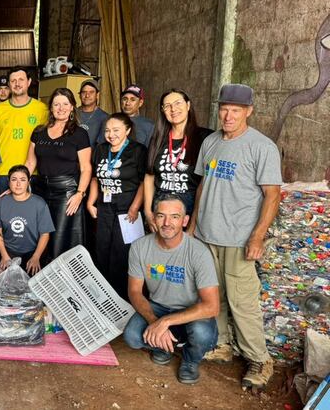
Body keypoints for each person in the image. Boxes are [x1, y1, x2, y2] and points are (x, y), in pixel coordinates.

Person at [188, 84, 281, 390]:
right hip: (206, 234)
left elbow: (272, 195)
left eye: (235, 110)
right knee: (214, 297)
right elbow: (203, 186)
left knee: (242, 302)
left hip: (238, 238)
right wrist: (193, 227)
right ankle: (223, 344)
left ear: (249, 111)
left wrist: (257, 237)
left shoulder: (261, 146)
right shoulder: (211, 141)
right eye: (224, 109)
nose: (228, 115)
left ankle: (259, 358)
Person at [123, 194, 219, 385]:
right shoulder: (139, 247)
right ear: (154, 219)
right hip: (158, 306)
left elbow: (212, 307)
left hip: (191, 310)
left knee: (202, 335)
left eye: (174, 217)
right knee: (132, 336)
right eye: (161, 216)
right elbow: (134, 291)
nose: (167, 223)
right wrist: (154, 321)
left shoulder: (198, 252)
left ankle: (190, 361)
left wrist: (165, 322)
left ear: (184, 221)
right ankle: (163, 346)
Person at [86, 113, 147, 299]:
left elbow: (145, 182)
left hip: (127, 210)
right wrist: (90, 201)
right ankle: (105, 298)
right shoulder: (101, 149)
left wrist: (135, 207)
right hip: (104, 208)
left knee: (122, 256)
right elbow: (95, 178)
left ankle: (124, 299)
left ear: (128, 130)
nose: (111, 134)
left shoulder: (138, 150)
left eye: (116, 130)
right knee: (102, 251)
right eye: (107, 131)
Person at [25, 88, 91, 259]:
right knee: (39, 233)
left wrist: (80, 194)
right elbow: (30, 163)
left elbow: (86, 168)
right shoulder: (38, 131)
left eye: (65, 104)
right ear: (51, 108)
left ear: (72, 108)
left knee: (59, 238)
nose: (60, 108)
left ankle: (60, 278)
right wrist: (19, 184)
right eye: (56, 104)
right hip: (40, 189)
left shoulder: (80, 134)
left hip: (66, 192)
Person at [143, 89, 213, 228]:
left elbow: (206, 182)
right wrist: (147, 211)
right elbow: (149, 176)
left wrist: (194, 223)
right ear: (163, 110)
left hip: (189, 210)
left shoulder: (205, 138)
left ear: (188, 105)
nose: (173, 109)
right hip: (160, 211)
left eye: (177, 103)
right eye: (167, 106)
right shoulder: (158, 139)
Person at [0, 66, 49, 195]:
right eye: (13, 81)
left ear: (29, 82)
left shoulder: (42, 109)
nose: (17, 83)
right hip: (4, 172)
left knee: (32, 213)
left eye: (21, 79)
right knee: (5, 213)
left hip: (34, 172)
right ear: (9, 84)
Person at [0, 165, 54, 275]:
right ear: (9, 182)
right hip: (9, 251)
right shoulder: (1, 202)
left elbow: (45, 234)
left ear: (29, 181)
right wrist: (4, 255)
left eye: (23, 180)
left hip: (32, 251)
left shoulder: (39, 203)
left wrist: (36, 257)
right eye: (14, 180)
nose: (18, 184)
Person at [76, 79, 108, 148]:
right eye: (84, 92)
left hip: (92, 157)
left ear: (97, 95)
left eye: (91, 92)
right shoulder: (72, 113)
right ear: (79, 95)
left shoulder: (104, 117)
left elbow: (101, 146)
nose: (87, 95)